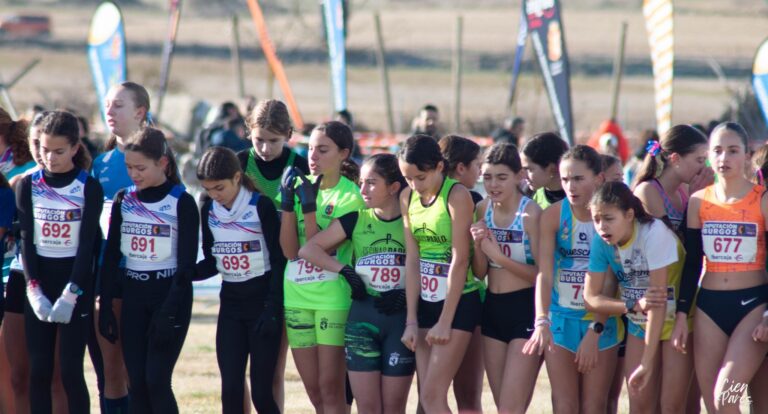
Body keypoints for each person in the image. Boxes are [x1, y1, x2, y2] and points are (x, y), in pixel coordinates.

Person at [299, 153, 415, 413]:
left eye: (371, 183)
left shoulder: (413, 222)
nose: (362, 189)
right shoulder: (356, 219)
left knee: (394, 407)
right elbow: (308, 250)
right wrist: (345, 271)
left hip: (400, 321)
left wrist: (406, 292)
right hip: (362, 318)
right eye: (361, 182)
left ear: (394, 187)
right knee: (368, 407)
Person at [98, 127, 198, 414]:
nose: (134, 174)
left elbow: (186, 264)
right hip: (134, 295)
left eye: (140, 167)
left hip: (169, 297)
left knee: (156, 380)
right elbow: (113, 254)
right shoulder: (123, 199)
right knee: (137, 383)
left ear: (163, 163)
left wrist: (168, 310)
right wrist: (105, 304)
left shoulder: (181, 201)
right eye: (129, 167)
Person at [522, 145, 621, 413]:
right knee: (564, 404)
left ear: (599, 178)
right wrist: (541, 319)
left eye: (578, 179)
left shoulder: (612, 217)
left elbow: (612, 281)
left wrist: (595, 329)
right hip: (561, 320)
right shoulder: (554, 215)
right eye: (565, 179)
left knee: (593, 406)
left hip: (601, 324)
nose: (570, 186)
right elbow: (545, 272)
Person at [16, 110, 103, 413]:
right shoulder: (28, 184)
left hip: (74, 284)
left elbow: (88, 245)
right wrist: (33, 288)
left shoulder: (88, 187)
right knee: (39, 370)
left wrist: (73, 292)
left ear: (75, 148)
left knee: (69, 371)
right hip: (40, 283)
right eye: (43, 149)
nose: (50, 158)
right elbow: (27, 237)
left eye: (59, 151)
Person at [679, 122, 768, 412]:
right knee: (714, 406)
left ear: (746, 155)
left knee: (726, 396)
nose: (723, 158)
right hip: (709, 307)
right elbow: (691, 264)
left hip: (753, 306)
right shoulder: (697, 201)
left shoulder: (762, 199)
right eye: (717, 151)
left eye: (732, 151)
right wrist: (681, 313)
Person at [279, 121, 364, 413]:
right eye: (310, 149)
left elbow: (317, 249)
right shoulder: (300, 186)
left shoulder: (351, 196)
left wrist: (310, 209)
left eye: (323, 150)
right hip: (296, 296)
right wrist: (289, 205)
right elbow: (291, 252)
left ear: (344, 154)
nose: (312, 157)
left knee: (331, 389)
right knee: (314, 392)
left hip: (332, 298)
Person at [195, 147, 285, 414]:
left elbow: (280, 261)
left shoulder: (261, 206)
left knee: (261, 393)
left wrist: (272, 307)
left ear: (237, 178)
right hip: (231, 306)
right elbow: (213, 261)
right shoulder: (209, 208)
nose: (214, 195)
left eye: (219, 188)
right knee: (231, 390)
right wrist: (183, 273)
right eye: (208, 189)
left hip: (262, 306)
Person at [585, 182, 687, 413]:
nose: (601, 227)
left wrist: (647, 363)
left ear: (629, 214)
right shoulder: (601, 242)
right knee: (639, 404)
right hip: (640, 325)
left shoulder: (654, 232)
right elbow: (590, 299)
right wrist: (631, 305)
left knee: (671, 406)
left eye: (609, 218)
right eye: (596, 219)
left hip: (677, 322)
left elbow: (657, 303)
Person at [398, 135, 480, 413]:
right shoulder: (407, 197)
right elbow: (412, 259)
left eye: (420, 177)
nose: (414, 185)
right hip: (425, 303)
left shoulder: (457, 195)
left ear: (438, 167)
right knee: (427, 398)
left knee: (433, 397)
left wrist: (445, 320)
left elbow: (460, 259)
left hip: (457, 305)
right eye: (407, 178)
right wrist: (411, 319)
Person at [91, 81, 152, 413]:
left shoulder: (160, 159)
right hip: (106, 274)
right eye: (108, 104)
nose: (109, 111)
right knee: (109, 370)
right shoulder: (100, 163)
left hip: (147, 277)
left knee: (140, 371)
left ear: (140, 112)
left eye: (118, 105)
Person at [470, 143, 543, 413]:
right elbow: (479, 272)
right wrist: (479, 246)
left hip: (525, 309)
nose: (493, 184)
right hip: (492, 308)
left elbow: (541, 275)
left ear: (518, 176)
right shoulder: (482, 209)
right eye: (487, 177)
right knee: (504, 406)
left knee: (510, 408)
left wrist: (498, 257)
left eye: (501, 177)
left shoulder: (531, 214)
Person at [437, 134, 484, 412]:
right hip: (461, 301)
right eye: (477, 165)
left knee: (435, 394)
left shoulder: (427, 196)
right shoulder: (471, 199)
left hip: (458, 301)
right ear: (462, 168)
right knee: (463, 395)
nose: (480, 173)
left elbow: (478, 267)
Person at [239, 99, 309, 208]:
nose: (265, 149)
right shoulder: (239, 164)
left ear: (288, 134)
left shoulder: (300, 167)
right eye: (259, 140)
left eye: (273, 141)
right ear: (249, 131)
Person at [521, 132, 569, 209]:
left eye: (529, 169)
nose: (524, 176)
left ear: (552, 168)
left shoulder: (577, 197)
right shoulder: (529, 196)